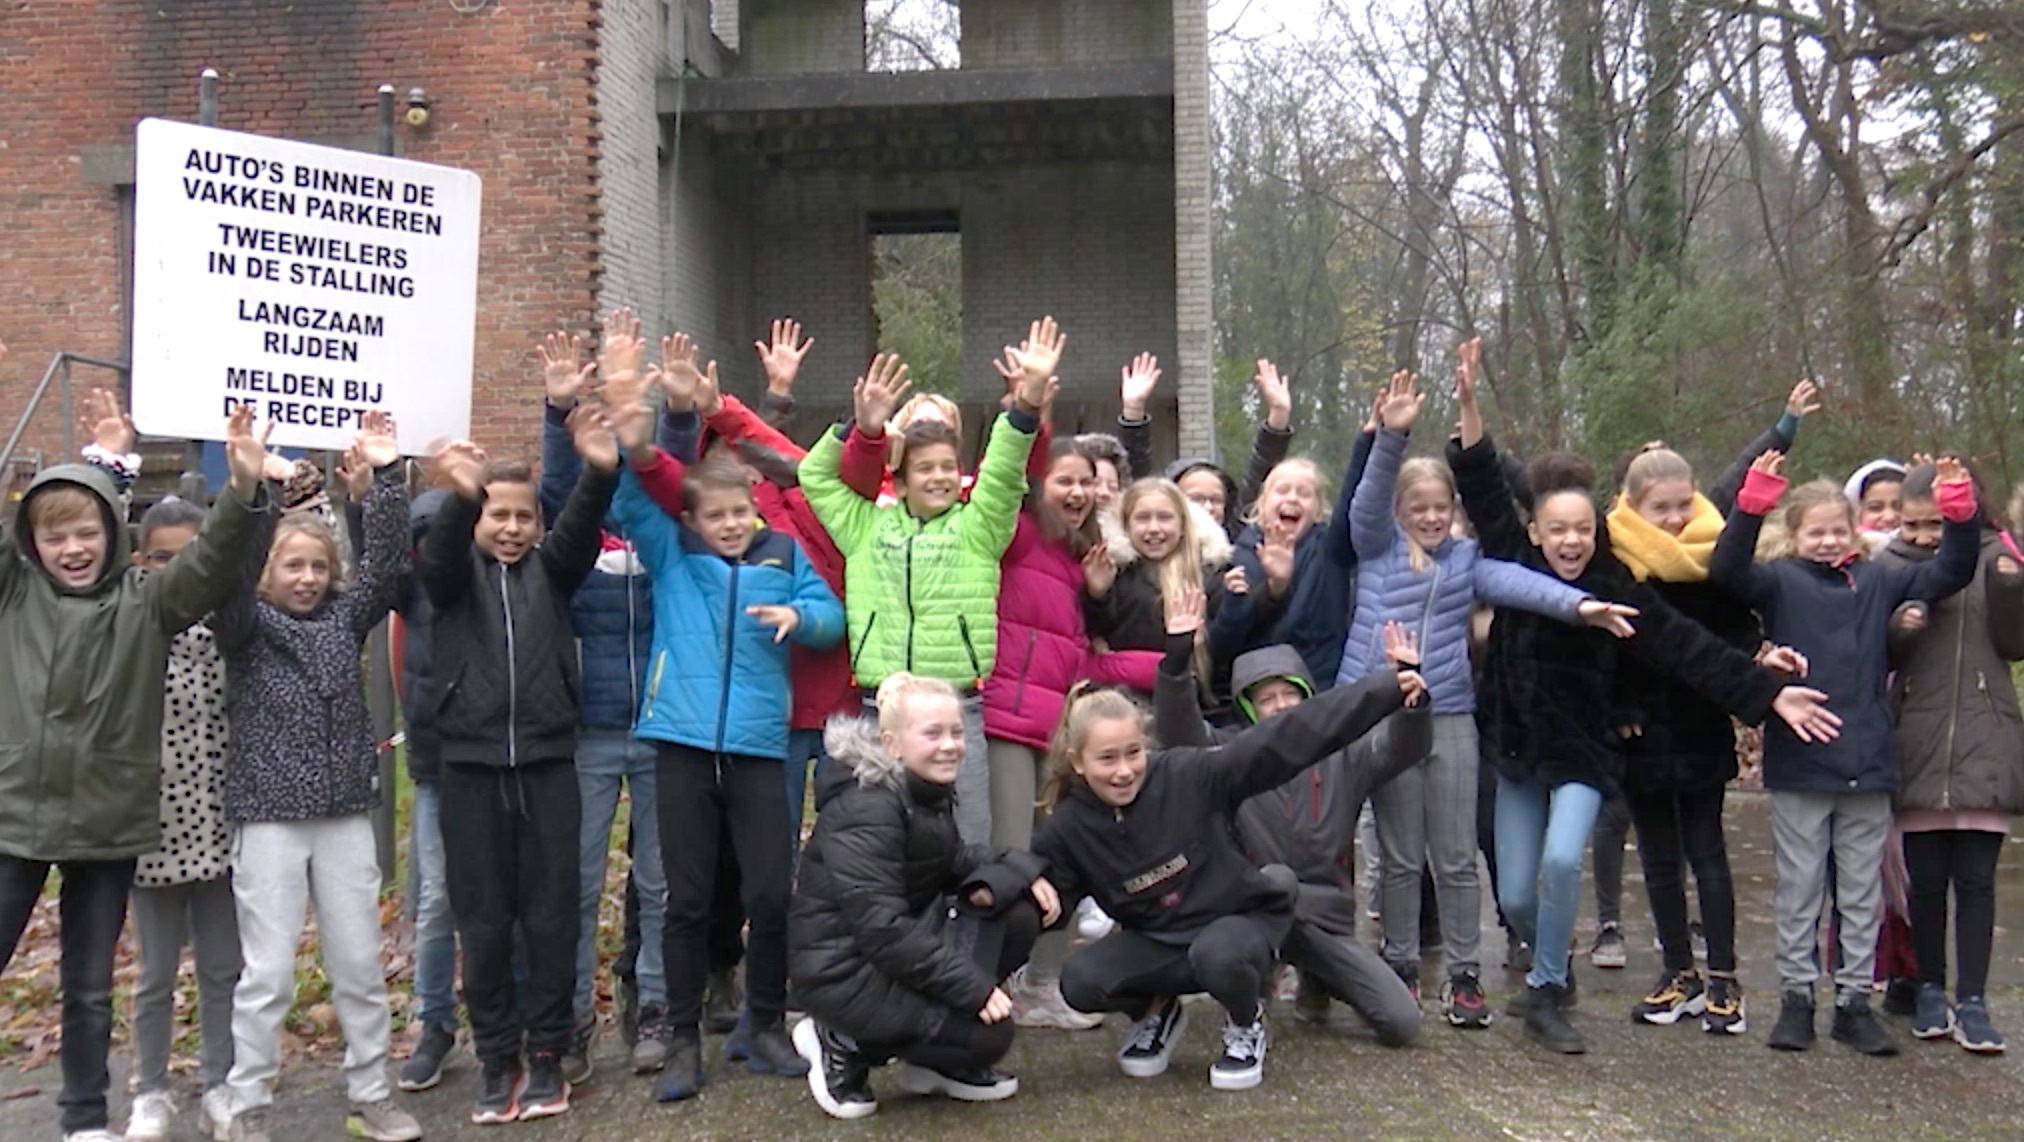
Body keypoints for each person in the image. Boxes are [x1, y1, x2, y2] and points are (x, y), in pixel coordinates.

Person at [1445, 365, 1839, 1054]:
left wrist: (1766, 693)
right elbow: (1481, 478)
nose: (1571, 542)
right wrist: (1470, 404)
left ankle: (1543, 991)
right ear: (1534, 532)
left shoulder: (1613, 583)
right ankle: (1554, 966)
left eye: (1582, 530)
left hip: (1582, 754)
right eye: (1557, 531)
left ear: (1595, 530)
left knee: (1564, 862)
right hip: (1513, 751)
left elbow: (1687, 646)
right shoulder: (1512, 556)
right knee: (1512, 897)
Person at [0, 390, 270, 1142]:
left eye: (86, 532)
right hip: (15, 814)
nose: (73, 548)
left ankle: (85, 1118)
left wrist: (243, 489)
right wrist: (98, 466)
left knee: (88, 986)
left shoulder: (148, 603)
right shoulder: (12, 595)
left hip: (109, 822)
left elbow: (213, 560)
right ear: (32, 545)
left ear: (111, 535)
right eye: (55, 538)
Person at [1336, 368, 1633, 1027]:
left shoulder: (1467, 560)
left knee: (1456, 855)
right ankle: (1402, 964)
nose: (1433, 518)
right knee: (1401, 855)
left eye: (1442, 508)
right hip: (1385, 712)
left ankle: (1466, 973)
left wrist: (1580, 604)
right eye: (1421, 509)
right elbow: (1364, 502)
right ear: (1400, 513)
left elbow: (1523, 584)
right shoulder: (1377, 546)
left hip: (1449, 716)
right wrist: (1394, 434)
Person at [1033, 630, 1422, 1091]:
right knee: (1095, 978)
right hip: (1203, 929)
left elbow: (1324, 736)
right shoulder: (1080, 821)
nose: (1124, 770)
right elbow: (1035, 899)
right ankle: (1166, 1010)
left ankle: (1278, 1003)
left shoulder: (1320, 760)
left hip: (1279, 923)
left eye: (1133, 753)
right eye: (1267, 699)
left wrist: (1396, 691)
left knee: (1396, 1019)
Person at [609, 398, 845, 1101]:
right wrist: (636, 442)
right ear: (692, 521)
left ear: (754, 508)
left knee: (771, 891)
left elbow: (832, 620)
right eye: (715, 517)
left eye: (739, 513)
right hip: (680, 743)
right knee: (685, 899)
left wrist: (799, 616)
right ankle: (683, 1037)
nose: (731, 526)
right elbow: (632, 494)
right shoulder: (673, 554)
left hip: (756, 747)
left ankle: (764, 1022)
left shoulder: (784, 554)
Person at [1712, 451, 1982, 1056]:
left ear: (1856, 529)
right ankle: (1797, 998)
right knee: (1800, 887)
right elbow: (1726, 567)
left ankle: (1855, 1001)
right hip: (1802, 761)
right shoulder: (1778, 581)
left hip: (1868, 759)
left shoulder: (1882, 577)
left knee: (1861, 892)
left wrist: (1957, 505)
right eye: (1816, 530)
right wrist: (1754, 499)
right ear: (1795, 533)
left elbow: (1953, 570)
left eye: (1839, 529)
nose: (1829, 540)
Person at [212, 414, 418, 1142]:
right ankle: (248, 1100)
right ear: (267, 572)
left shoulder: (344, 618)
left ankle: (372, 1087)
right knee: (266, 974)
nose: (305, 579)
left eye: (317, 567)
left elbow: (388, 563)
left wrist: (388, 479)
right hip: (268, 817)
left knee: (360, 965)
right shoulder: (244, 627)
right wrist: (253, 490)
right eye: (290, 567)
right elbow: (225, 573)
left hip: (341, 816)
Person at [419, 408, 621, 1124]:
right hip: (471, 771)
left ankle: (546, 1054)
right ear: (476, 519)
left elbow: (582, 526)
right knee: (483, 922)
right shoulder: (450, 578)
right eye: (495, 514)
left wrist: (599, 467)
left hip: (545, 766)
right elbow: (438, 554)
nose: (509, 528)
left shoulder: (552, 572)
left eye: (521, 517)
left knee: (549, 918)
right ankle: (495, 1057)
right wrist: (461, 494)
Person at [1604, 380, 1816, 1034]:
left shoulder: (1712, 550)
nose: (1672, 519)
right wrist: (1620, 705)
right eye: (1659, 508)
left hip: (1699, 721)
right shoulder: (1616, 562)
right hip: (1641, 730)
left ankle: (1724, 977)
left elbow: (1731, 625)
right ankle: (1678, 974)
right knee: (1659, 859)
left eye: (1681, 504)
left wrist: (1761, 655)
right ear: (1633, 507)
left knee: (1708, 851)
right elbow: (1605, 651)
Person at [800, 322, 1059, 845]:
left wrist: (1027, 403)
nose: (940, 477)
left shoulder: (978, 527)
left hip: (955, 706)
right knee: (885, 842)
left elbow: (1006, 469)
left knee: (969, 839)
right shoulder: (865, 527)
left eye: (948, 466)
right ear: (899, 478)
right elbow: (815, 476)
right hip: (881, 709)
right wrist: (859, 427)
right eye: (925, 469)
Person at [1154, 591, 1428, 1048]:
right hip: (1256, 912)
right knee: (1252, 923)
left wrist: (1411, 700)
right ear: (1247, 709)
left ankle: (1321, 978)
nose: (1281, 706)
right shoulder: (1228, 758)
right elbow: (1179, 727)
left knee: (1402, 1022)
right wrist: (1178, 657)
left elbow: (1402, 749)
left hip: (1324, 920)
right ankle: (1254, 988)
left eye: (1290, 695)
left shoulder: (1345, 754)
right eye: (1267, 699)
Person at [537, 312, 696, 1081]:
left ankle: (655, 1006)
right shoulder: (575, 525)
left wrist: (677, 412)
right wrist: (558, 412)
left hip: (661, 727)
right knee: (574, 878)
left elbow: (679, 471)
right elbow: (558, 488)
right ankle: (572, 1019)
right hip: (590, 731)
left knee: (660, 881)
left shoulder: (659, 519)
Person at [790, 673, 1061, 1120]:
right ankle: (840, 1041)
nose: (950, 745)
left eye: (956, 732)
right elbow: (882, 928)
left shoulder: (920, 791)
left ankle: (932, 1064)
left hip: (889, 951)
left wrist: (1021, 868)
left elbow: (952, 859)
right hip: (843, 971)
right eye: (932, 733)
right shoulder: (869, 807)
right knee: (990, 1037)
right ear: (891, 743)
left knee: (1017, 910)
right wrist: (972, 989)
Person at [976, 436, 1158, 1029]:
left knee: (1063, 861)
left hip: (1055, 734)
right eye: (1064, 480)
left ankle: (1042, 985)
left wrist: (1171, 660)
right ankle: (981, 988)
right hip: (1006, 722)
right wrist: (1032, 406)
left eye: (1086, 482)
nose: (1077, 492)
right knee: (1006, 863)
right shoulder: (1020, 537)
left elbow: (1083, 663)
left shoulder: (1082, 565)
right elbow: (1014, 472)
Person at [1881, 460, 2023, 1052]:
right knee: (1927, 881)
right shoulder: (1887, 565)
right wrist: (1902, 629)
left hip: (1984, 736)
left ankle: (1974, 999)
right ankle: (1930, 988)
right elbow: (1875, 649)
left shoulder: (1994, 554)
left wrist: (2012, 589)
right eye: (1912, 525)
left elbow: (2015, 645)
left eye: (1935, 523)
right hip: (1917, 732)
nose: (1923, 537)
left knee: (1977, 880)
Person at [119, 498, 240, 1142]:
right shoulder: (133, 622)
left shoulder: (232, 622)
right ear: (142, 561)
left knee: (224, 964)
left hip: (221, 821)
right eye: (166, 557)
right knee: (155, 973)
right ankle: (151, 1091)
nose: (181, 568)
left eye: (193, 555)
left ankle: (221, 1083)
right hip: (152, 827)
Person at [1115, 352, 1294, 541]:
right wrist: (1133, 409)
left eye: (1216, 500)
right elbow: (1135, 476)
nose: (1208, 508)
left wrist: (1278, 415)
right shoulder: (1153, 542)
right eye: (1196, 499)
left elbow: (1261, 472)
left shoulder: (1234, 541)